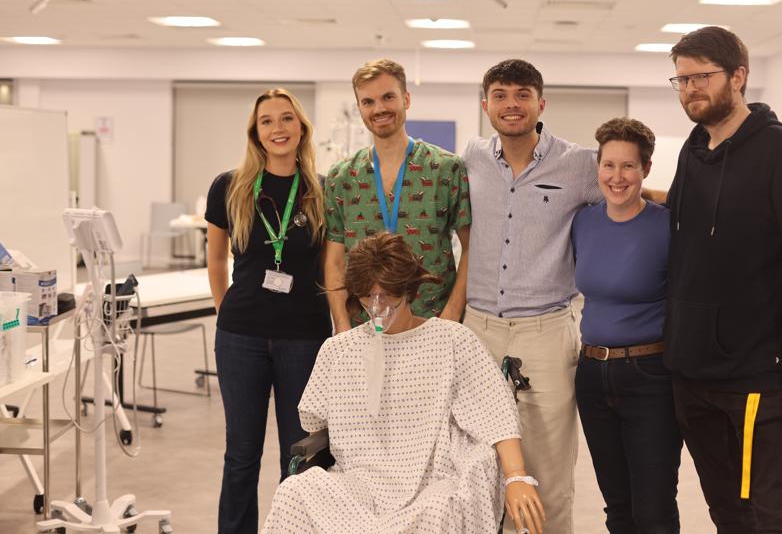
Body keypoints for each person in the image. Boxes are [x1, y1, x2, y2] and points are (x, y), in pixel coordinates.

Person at [664, 26, 782, 532]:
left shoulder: (780, 153)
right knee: (727, 510)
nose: (690, 89)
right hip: (691, 372)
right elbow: (681, 222)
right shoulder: (694, 148)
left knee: (771, 511)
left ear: (738, 76)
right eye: (681, 80)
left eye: (701, 77)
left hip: (755, 375)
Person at [262, 232, 546, 534]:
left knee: (439, 509)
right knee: (294, 492)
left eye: (387, 295)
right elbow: (315, 423)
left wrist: (516, 476)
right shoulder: (339, 351)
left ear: (408, 288)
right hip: (359, 483)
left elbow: (496, 413)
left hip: (432, 484)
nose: (377, 306)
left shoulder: (452, 340)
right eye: (368, 296)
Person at [462, 58, 602, 534]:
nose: (511, 105)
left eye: (522, 94)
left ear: (541, 104)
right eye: (500, 95)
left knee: (548, 471)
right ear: (486, 105)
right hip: (478, 330)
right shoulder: (472, 158)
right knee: (478, 466)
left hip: (546, 331)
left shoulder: (579, 164)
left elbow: (629, 192)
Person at [205, 88, 331, 534]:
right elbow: (215, 260)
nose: (278, 128)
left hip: (305, 338)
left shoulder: (321, 191)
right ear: (255, 133)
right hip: (241, 337)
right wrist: (226, 312)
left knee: (300, 454)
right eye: (267, 121)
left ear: (301, 128)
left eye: (286, 119)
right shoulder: (229, 186)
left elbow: (331, 267)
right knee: (241, 454)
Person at [572, 117, 682, 533]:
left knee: (653, 510)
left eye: (628, 166)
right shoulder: (583, 222)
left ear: (646, 169)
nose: (617, 177)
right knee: (617, 507)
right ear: (598, 167)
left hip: (650, 377)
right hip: (591, 375)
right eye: (609, 165)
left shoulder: (667, 226)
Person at [323, 58, 470, 332]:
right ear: (359, 108)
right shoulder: (342, 178)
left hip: (431, 323)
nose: (379, 108)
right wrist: (342, 324)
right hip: (364, 326)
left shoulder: (444, 168)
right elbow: (334, 261)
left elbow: (471, 248)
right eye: (368, 102)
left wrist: (450, 316)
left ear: (406, 99)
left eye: (388, 97)